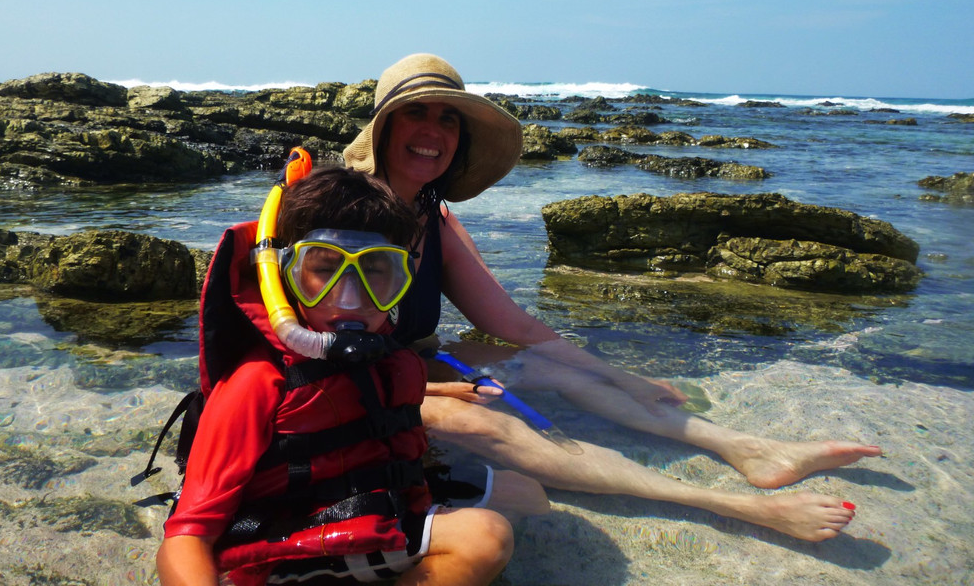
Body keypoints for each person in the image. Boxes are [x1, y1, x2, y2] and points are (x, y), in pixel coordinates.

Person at [344, 53, 883, 542]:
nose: (432, 132)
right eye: (417, 113)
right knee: (488, 423)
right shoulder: (344, 215)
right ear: (385, 127)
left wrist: (623, 377)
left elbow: (512, 324)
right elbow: (312, 350)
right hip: (358, 384)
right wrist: (441, 398)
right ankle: (730, 504)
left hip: (420, 358)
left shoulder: (433, 217)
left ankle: (743, 447)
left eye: (448, 119)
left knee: (558, 368)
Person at [156, 167, 520, 586]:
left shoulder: (390, 357)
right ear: (286, 277)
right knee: (486, 536)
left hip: (371, 513)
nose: (350, 299)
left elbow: (364, 398)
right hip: (288, 546)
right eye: (325, 269)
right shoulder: (256, 383)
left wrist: (442, 388)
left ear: (403, 280)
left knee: (524, 494)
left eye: (376, 270)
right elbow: (187, 535)